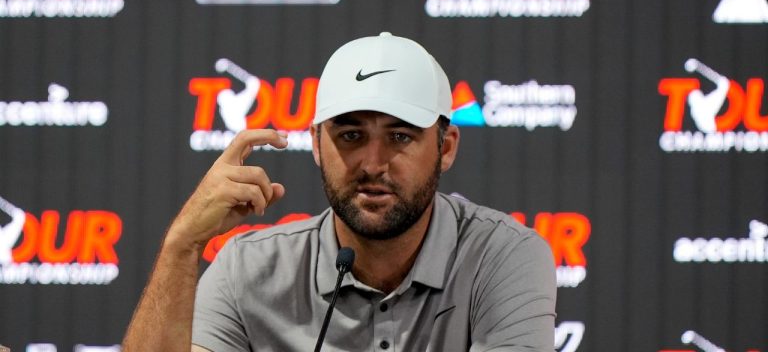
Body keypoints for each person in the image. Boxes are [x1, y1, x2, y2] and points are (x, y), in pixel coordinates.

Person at [122, 32, 556, 351]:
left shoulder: (503, 257)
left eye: (400, 137)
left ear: (445, 148)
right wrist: (182, 245)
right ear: (315, 144)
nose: (372, 163)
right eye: (350, 136)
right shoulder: (246, 271)